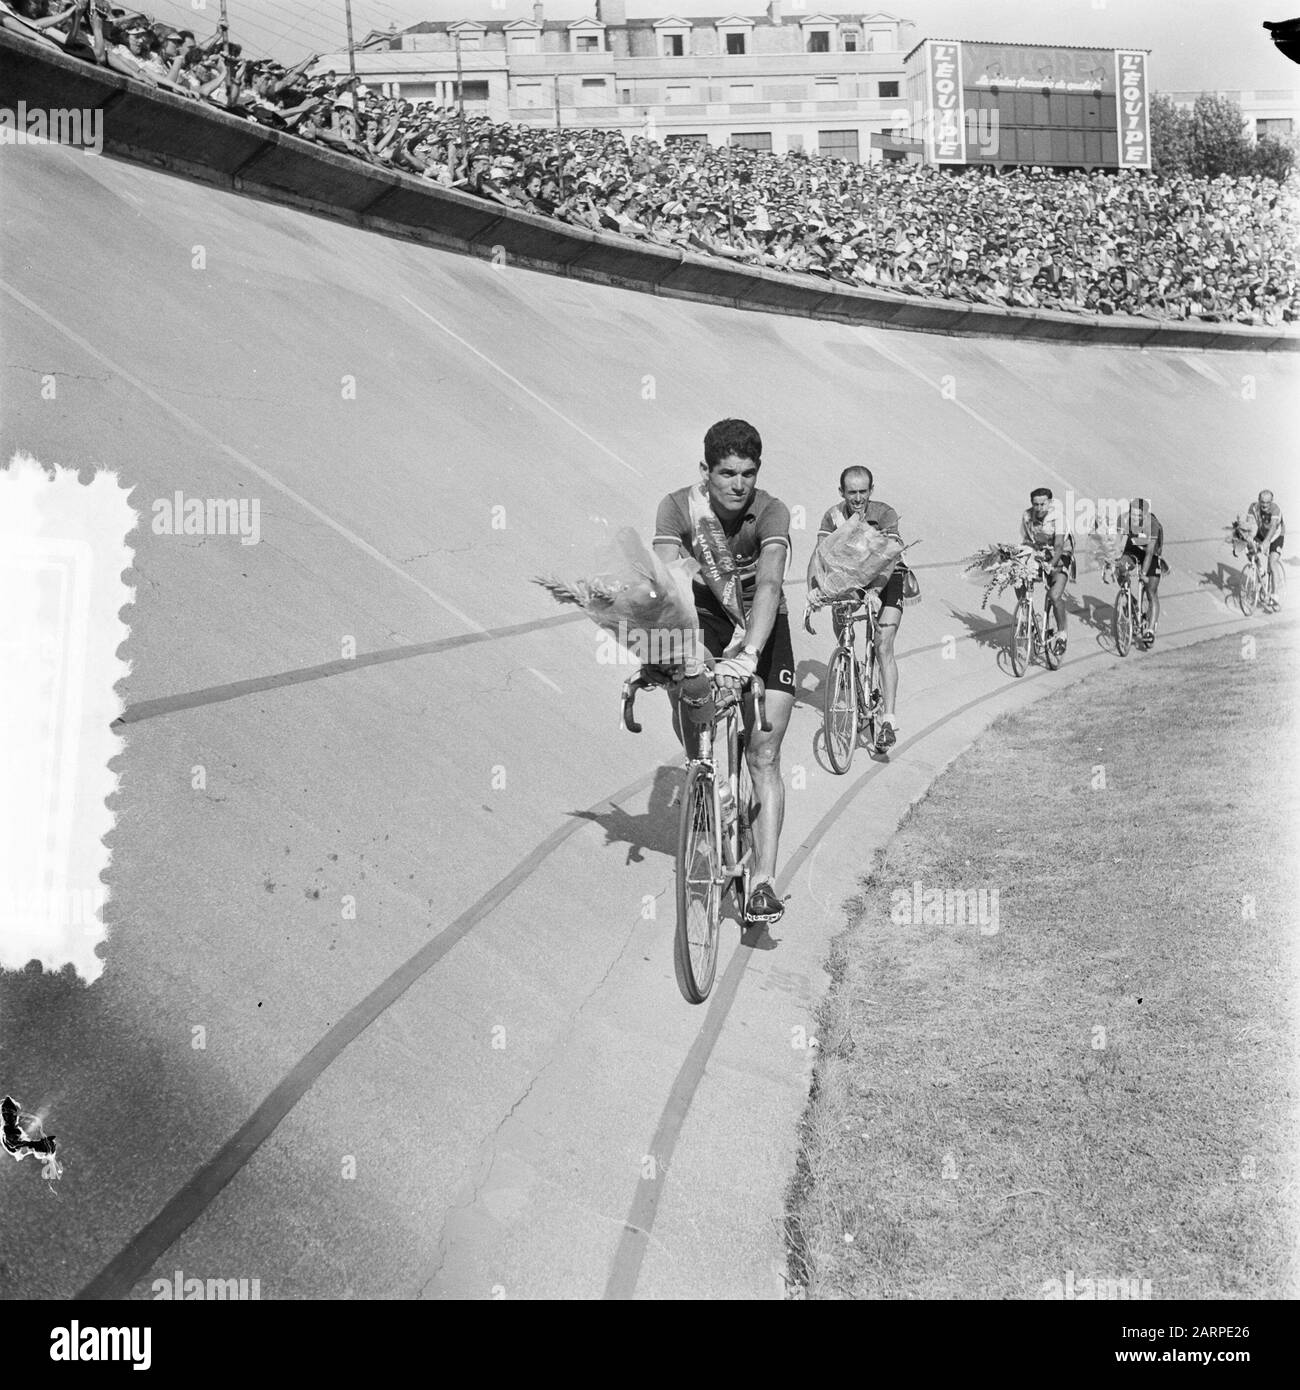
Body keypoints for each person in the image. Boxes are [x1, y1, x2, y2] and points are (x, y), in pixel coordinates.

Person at [652, 419, 794, 925]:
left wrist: (750, 655)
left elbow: (773, 583)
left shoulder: (771, 511)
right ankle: (707, 782)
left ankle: (762, 883)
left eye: (748, 474)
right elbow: (668, 583)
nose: (738, 486)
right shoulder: (677, 507)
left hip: (761, 623)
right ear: (704, 471)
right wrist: (663, 653)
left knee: (764, 751)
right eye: (727, 473)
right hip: (703, 621)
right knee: (687, 699)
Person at [811, 466, 907, 751]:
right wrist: (814, 591)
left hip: (887, 579)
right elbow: (819, 557)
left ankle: (888, 721)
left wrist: (876, 591)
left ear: (871, 490)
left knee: (883, 643)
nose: (857, 498)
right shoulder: (833, 516)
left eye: (862, 492)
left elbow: (890, 558)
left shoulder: (885, 513)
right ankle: (851, 669)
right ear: (842, 492)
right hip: (851, 578)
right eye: (851, 492)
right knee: (842, 627)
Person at [1019, 486, 1074, 656]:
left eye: (1043, 504)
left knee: (1054, 595)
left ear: (1049, 503)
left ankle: (1062, 633)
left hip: (1060, 555)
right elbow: (1027, 540)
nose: (1039, 508)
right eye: (1036, 504)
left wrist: (1051, 564)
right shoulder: (1027, 516)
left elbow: (1058, 545)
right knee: (1018, 576)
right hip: (1040, 553)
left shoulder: (1058, 518)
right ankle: (1026, 613)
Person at [1120, 497, 1166, 643]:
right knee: (1120, 567)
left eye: (1138, 515)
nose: (1134, 518)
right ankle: (1131, 601)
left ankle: (1150, 631)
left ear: (1145, 515)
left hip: (1151, 552)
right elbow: (1116, 542)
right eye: (1132, 514)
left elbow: (1150, 552)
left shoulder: (1153, 524)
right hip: (1134, 548)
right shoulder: (1124, 520)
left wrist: (1143, 573)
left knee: (1151, 591)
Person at [1245, 489, 1285, 611]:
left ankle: (1275, 595)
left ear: (1271, 502)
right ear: (1259, 500)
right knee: (1249, 548)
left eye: (1267, 502)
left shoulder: (1275, 509)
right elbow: (1251, 524)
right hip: (1261, 533)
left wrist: (1266, 543)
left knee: (1272, 562)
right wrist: (1250, 539)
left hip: (1275, 536)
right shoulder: (1253, 507)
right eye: (1262, 502)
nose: (1264, 505)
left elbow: (1273, 527)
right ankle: (1261, 571)